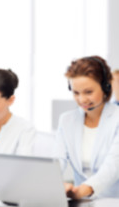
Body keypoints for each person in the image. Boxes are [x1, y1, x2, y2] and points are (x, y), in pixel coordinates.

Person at [55, 56, 119, 199]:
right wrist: (53, 184)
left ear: (105, 88)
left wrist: (83, 190)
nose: (82, 100)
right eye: (76, 93)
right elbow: (57, 160)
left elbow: (113, 167)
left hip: (113, 201)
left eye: (88, 92)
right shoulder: (66, 120)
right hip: (80, 202)